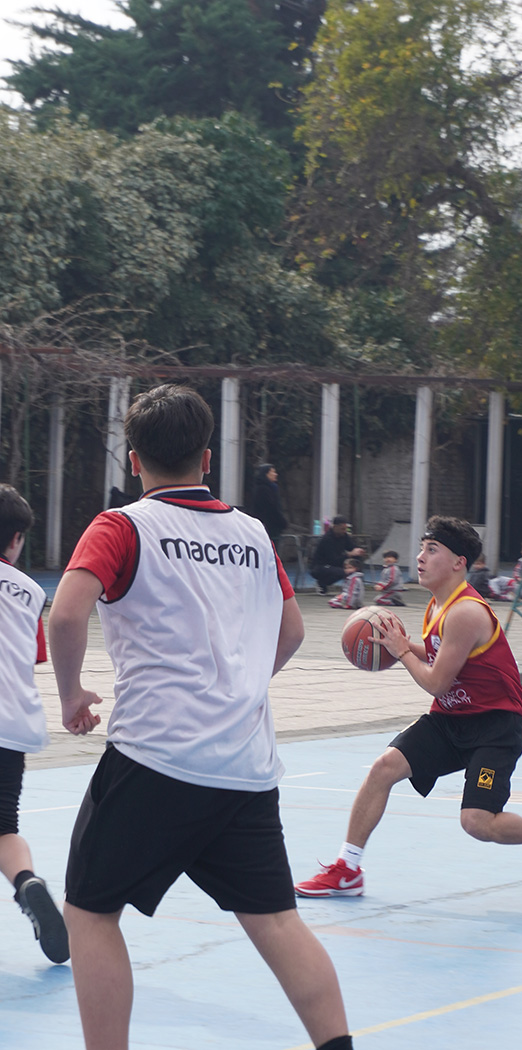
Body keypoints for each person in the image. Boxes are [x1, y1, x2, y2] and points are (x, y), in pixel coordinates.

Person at [48, 385, 353, 1050]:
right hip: (245, 766)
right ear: (207, 458)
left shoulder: (122, 526)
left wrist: (71, 695)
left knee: (91, 911)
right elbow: (292, 631)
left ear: (134, 460)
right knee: (277, 921)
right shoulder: (252, 533)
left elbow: (66, 614)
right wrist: (239, 687)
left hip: (155, 757)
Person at [294, 515, 522, 904]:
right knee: (383, 768)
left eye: (432, 550)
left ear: (459, 562)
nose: (420, 557)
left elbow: (435, 682)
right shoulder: (437, 606)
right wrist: (396, 644)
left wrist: (400, 652)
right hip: (451, 719)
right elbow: (437, 655)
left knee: (476, 822)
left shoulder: (466, 612)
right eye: (421, 549)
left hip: (495, 726)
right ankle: (347, 870)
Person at [0, 484, 69, 964]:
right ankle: (27, 882)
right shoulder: (30, 592)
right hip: (12, 723)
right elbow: (32, 657)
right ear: (17, 539)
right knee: (4, 827)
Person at [310, 516, 366, 594]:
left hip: (335, 562)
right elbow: (333, 560)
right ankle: (322, 583)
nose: (344, 531)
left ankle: (356, 584)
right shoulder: (327, 539)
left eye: (345, 529)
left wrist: (358, 550)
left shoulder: (344, 536)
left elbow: (351, 547)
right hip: (321, 566)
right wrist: (349, 555)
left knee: (356, 560)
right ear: (335, 527)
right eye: (342, 529)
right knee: (344, 571)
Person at [251, 463, 288, 546]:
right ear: (266, 474)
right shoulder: (263, 490)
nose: (275, 474)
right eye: (273, 472)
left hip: (271, 526)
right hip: (268, 527)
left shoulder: (270, 488)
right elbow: (271, 509)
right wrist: (282, 522)